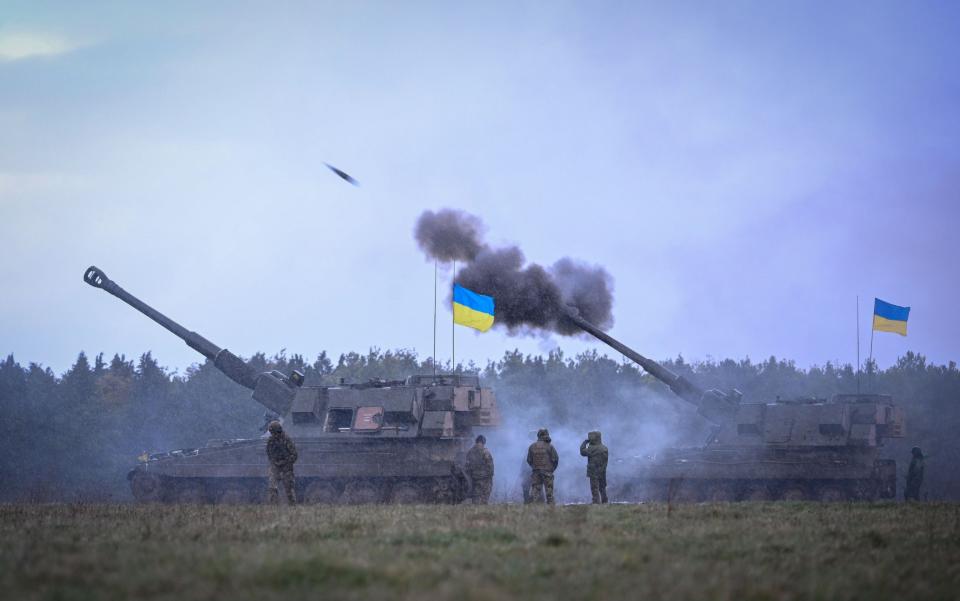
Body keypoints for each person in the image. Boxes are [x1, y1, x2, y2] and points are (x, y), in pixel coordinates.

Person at [266, 421, 298, 504]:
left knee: (289, 489)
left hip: (286, 467)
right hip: (275, 466)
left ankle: (292, 506)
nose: (273, 434)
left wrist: (285, 462)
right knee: (272, 488)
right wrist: (274, 463)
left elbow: (294, 455)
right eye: (272, 433)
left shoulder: (286, 440)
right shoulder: (271, 441)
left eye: (274, 432)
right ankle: (273, 505)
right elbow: (269, 453)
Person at [526, 428, 559, 505]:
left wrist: (534, 467)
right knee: (549, 491)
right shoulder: (550, 446)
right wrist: (552, 469)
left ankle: (532, 507)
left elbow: (529, 460)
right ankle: (551, 509)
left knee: (535, 490)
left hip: (536, 472)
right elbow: (555, 459)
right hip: (547, 472)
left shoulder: (532, 446)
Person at [580, 430, 609, 504]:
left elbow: (582, 452)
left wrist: (585, 442)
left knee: (594, 487)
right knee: (602, 487)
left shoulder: (591, 449)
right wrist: (603, 468)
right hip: (602, 470)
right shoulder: (604, 448)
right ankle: (604, 501)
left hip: (593, 471)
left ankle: (596, 501)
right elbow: (606, 460)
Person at [465, 434, 495, 504]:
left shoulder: (470, 452)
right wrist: (490, 475)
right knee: (485, 497)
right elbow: (490, 466)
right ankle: (483, 511)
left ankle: (475, 511)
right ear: (483, 442)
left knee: (476, 496)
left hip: (475, 478)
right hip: (485, 479)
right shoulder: (485, 452)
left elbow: (467, 466)